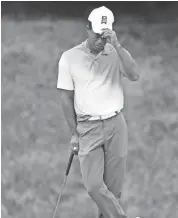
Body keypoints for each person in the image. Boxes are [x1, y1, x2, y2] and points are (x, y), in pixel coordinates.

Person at [57, 6, 140, 218]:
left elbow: (134, 74)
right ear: (87, 28)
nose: (100, 41)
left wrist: (118, 46)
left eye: (104, 36)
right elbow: (66, 98)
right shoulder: (69, 57)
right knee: (94, 186)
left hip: (116, 124)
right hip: (88, 127)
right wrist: (74, 133)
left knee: (113, 192)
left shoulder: (115, 53)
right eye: (96, 35)